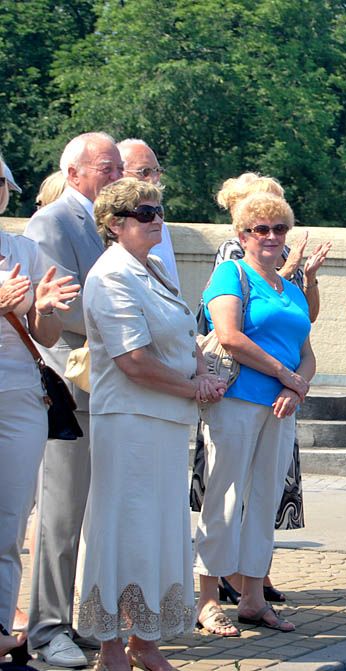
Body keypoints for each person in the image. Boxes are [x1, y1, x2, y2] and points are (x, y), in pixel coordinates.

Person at [77, 178, 227, 671]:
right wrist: (196, 388)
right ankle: (111, 647)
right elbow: (133, 360)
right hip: (128, 423)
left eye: (159, 210)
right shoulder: (110, 275)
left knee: (160, 531)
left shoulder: (156, 266)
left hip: (164, 422)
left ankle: (146, 641)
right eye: (144, 213)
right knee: (125, 530)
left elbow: (183, 335)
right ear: (115, 224)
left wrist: (201, 368)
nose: (156, 219)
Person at [190, 173, 329, 606]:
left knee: (264, 502)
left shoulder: (288, 286)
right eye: (261, 229)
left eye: (279, 228)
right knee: (224, 498)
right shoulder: (231, 273)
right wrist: (283, 375)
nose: (271, 237)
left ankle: (253, 597)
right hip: (236, 400)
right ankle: (209, 600)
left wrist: (297, 386)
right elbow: (229, 335)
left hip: (280, 409)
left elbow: (305, 349)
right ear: (243, 235)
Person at [23, 132, 123, 669]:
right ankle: (46, 630)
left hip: (112, 388)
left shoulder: (112, 225)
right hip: (71, 388)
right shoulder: (54, 222)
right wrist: (131, 332)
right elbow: (61, 309)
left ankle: (79, 621)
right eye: (107, 167)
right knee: (59, 519)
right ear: (75, 172)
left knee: (92, 518)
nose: (117, 175)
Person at [1, 153, 79, 660]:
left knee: (8, 524)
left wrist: (45, 309)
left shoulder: (22, 250)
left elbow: (44, 335)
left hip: (20, 399)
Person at [117, 139, 178, 286]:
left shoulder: (160, 224)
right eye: (145, 172)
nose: (154, 179)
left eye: (157, 171)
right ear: (118, 173)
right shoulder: (113, 223)